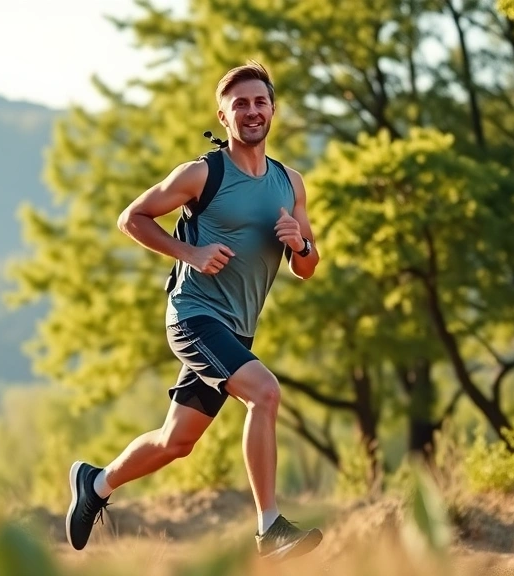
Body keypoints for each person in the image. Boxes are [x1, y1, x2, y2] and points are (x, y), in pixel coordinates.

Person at [65, 60, 323, 561]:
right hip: (194, 317)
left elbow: (307, 268)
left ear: (272, 111)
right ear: (224, 117)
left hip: (238, 329)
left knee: (175, 442)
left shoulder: (291, 184)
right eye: (240, 104)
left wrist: (302, 245)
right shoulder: (203, 174)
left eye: (260, 102)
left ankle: (95, 483)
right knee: (265, 394)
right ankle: (270, 527)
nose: (252, 111)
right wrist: (191, 253)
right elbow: (131, 218)